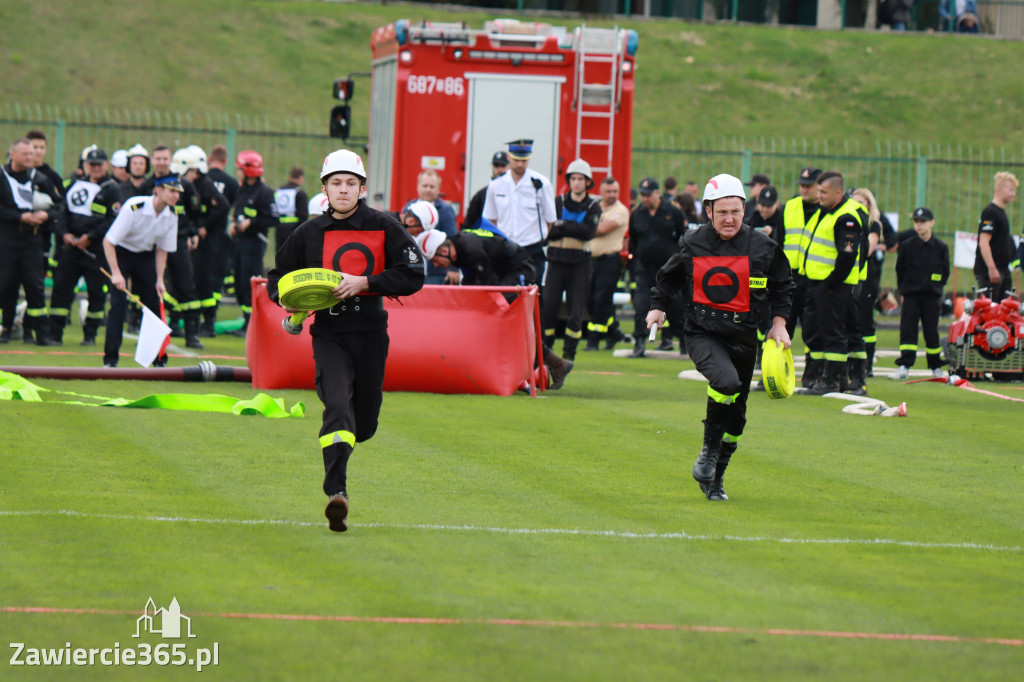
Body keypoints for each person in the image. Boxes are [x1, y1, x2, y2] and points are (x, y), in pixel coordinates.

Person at [267, 149, 425, 533]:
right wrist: (292, 305)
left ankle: (349, 446)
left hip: (371, 333)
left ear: (362, 188)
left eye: (350, 183)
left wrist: (366, 283)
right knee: (337, 407)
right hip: (330, 334)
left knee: (363, 424)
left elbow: (414, 273)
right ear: (324, 188)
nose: (343, 190)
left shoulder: (385, 226)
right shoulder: (307, 233)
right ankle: (337, 493)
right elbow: (277, 280)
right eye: (335, 183)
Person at [645, 173, 792, 502]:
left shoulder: (763, 247)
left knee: (737, 421)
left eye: (736, 211)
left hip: (744, 336)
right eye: (722, 212)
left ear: (745, 210)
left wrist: (779, 324)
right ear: (708, 212)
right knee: (725, 382)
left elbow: (784, 286)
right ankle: (708, 450)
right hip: (703, 333)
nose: (729, 219)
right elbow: (667, 280)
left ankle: (716, 479)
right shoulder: (692, 243)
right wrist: (658, 308)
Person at [417, 226, 574, 390]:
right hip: (506, 270)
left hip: (520, 269)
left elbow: (486, 290)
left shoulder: (472, 249)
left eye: (434, 259)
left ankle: (540, 367)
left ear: (443, 249)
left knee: (496, 313)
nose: (436, 265)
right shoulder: (462, 246)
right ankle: (555, 364)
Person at [101, 175, 183, 367]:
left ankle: (158, 360)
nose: (176, 196)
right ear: (158, 191)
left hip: (145, 256)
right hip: (120, 254)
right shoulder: (134, 207)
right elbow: (108, 241)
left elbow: (162, 249)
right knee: (118, 305)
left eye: (178, 193)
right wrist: (116, 273)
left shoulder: (172, 215)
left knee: (154, 306)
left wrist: (160, 279)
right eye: (172, 191)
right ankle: (110, 360)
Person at [798, 171, 867, 395]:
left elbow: (847, 256)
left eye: (823, 192)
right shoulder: (827, 212)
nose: (819, 195)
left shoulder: (846, 217)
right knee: (816, 331)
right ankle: (819, 376)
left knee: (833, 333)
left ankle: (831, 380)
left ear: (838, 192)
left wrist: (830, 283)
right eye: (818, 191)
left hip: (833, 286)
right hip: (817, 283)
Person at [48, 147, 121, 345]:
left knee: (96, 293)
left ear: (106, 165)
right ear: (85, 165)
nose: (95, 168)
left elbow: (112, 220)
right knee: (61, 290)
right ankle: (55, 334)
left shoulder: (112, 188)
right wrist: (65, 234)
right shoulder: (74, 184)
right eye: (91, 164)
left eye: (99, 164)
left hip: (95, 251)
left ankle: (90, 335)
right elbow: (62, 211)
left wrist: (90, 236)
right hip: (70, 249)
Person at [0, 138, 63, 345]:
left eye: (32, 153)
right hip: (6, 240)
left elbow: (59, 205)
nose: (30, 157)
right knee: (6, 285)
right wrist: (20, 217)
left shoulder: (40, 178)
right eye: (26, 154)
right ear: (13, 154)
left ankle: (40, 334)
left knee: (35, 286)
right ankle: (5, 328)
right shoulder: (2, 176)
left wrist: (45, 215)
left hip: (32, 241)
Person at [145, 145, 203, 348]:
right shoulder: (147, 184)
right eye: (158, 158)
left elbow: (195, 213)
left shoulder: (185, 185)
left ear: (170, 161)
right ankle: (149, 332)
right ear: (152, 160)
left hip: (178, 242)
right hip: (151, 243)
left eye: (165, 158)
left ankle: (192, 333)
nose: (161, 162)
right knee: (150, 286)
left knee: (186, 286)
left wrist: (193, 232)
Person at [543, 158, 600, 361]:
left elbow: (588, 232)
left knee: (576, 313)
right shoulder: (556, 202)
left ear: (587, 182)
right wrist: (571, 227)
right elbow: (548, 232)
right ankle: (546, 352)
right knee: (548, 309)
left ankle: (569, 354)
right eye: (573, 178)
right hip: (556, 261)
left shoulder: (593, 206)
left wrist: (562, 225)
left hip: (580, 264)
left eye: (580, 179)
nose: (576, 183)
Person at [482, 139, 557, 289]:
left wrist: (537, 238)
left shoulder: (541, 184)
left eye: (524, 160)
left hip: (532, 251)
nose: (520, 164)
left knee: (533, 297)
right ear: (509, 157)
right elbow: (490, 219)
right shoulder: (496, 185)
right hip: (506, 250)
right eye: (516, 160)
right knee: (505, 294)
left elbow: (550, 220)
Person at [172, 145, 228, 342]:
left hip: (203, 242)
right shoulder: (188, 184)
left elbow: (221, 206)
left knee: (200, 280)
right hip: (186, 238)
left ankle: (206, 324)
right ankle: (178, 322)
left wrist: (203, 227)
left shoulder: (203, 184)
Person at [627, 177, 687, 357]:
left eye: (647, 195)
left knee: (676, 308)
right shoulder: (637, 214)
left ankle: (685, 344)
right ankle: (639, 344)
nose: (644, 199)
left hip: (669, 270)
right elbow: (633, 241)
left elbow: (683, 238)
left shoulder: (673, 212)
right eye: (642, 195)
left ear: (657, 193)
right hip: (645, 268)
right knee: (641, 305)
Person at [893, 207, 949, 380]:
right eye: (916, 222)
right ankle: (905, 364)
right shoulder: (908, 246)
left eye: (922, 222)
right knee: (908, 329)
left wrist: (936, 286)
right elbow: (899, 269)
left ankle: (935, 365)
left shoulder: (940, 247)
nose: (919, 225)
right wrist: (904, 288)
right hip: (911, 295)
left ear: (931, 223)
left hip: (931, 296)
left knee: (931, 330)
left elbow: (945, 271)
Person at [231, 150, 279, 336]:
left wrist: (251, 223)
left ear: (249, 171)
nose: (238, 173)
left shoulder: (264, 192)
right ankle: (246, 320)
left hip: (254, 243)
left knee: (249, 281)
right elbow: (239, 211)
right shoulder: (242, 188)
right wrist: (234, 224)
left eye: (240, 169)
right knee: (239, 283)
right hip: (239, 241)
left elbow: (274, 219)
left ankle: (254, 322)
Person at [849, 187, 895, 377]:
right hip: (850, 275)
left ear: (868, 205)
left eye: (860, 202)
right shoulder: (848, 222)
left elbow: (866, 250)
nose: (857, 205)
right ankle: (850, 363)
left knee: (865, 321)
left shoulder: (874, 224)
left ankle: (867, 363)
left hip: (866, 277)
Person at [782, 166, 821, 378]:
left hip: (813, 278)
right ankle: (775, 371)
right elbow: (778, 243)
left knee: (812, 330)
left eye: (809, 186)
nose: (804, 190)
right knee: (780, 327)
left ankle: (811, 375)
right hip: (789, 278)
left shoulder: (825, 210)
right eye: (802, 186)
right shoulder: (789, 207)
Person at [585, 176, 631, 351]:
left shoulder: (620, 210)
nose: (612, 195)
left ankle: (593, 340)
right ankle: (613, 332)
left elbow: (603, 228)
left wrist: (585, 226)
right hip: (591, 259)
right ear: (601, 192)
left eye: (615, 191)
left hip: (610, 259)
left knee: (601, 299)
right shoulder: (595, 207)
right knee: (589, 298)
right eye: (608, 191)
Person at [205, 144, 240, 332]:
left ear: (210, 159)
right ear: (225, 161)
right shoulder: (232, 183)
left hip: (200, 235)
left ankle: (194, 319)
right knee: (216, 279)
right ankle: (210, 320)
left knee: (197, 276)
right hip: (220, 237)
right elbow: (234, 208)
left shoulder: (203, 180)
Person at [402, 169, 457, 284]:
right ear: (418, 187)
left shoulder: (446, 210)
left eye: (432, 186)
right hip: (411, 271)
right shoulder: (408, 208)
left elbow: (452, 240)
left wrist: (453, 269)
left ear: (438, 189)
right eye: (425, 185)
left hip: (437, 274)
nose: (428, 189)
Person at [974, 171, 1019, 302]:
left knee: (1005, 311)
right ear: (999, 189)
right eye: (1010, 189)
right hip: (991, 271)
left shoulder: (1001, 212)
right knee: (990, 313)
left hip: (1003, 270)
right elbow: (984, 242)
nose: (1013, 193)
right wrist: (992, 269)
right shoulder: (990, 212)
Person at [461, 151, 508, 231]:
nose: (499, 170)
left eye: (503, 166)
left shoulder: (516, 192)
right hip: (490, 239)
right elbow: (468, 225)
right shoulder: (481, 195)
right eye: (496, 166)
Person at [275, 167, 309, 252]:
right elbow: (303, 216)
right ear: (301, 178)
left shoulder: (279, 191)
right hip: (294, 230)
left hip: (279, 229)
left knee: (280, 256)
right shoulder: (299, 193)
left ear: (290, 176)